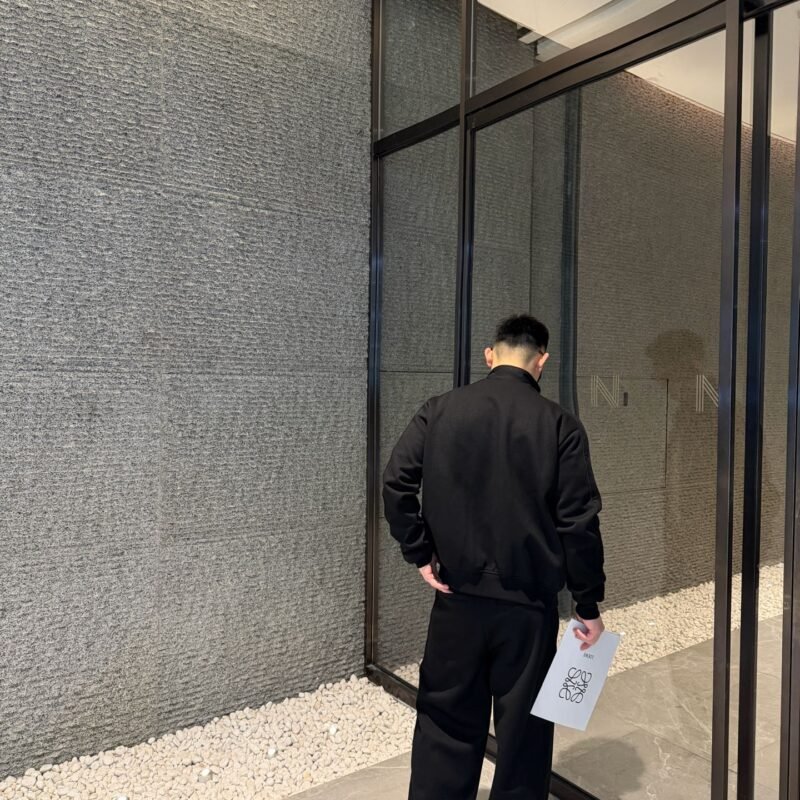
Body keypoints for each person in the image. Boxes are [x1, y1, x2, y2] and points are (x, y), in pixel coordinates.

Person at [382, 313, 606, 800]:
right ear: (542, 361)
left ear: (490, 355)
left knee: (445, 720)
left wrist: (419, 552)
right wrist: (587, 603)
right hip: (527, 609)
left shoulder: (439, 410)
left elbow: (396, 483)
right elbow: (578, 523)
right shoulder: (560, 425)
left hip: (456, 597)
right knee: (525, 734)